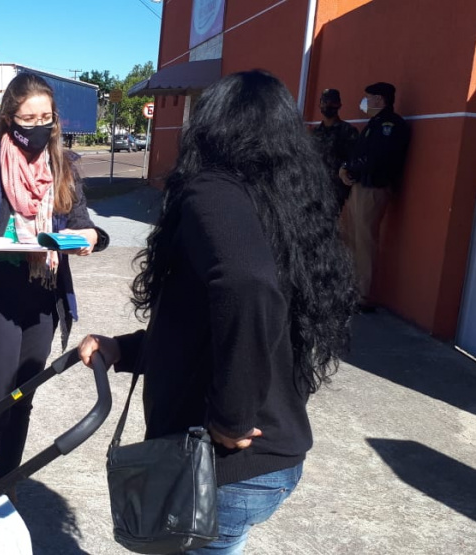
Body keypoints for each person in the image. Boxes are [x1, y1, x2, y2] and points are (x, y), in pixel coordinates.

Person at [78, 70, 356, 554]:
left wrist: (231, 415)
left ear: (210, 126)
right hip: (271, 460)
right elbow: (204, 325)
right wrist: (124, 348)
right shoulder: (278, 204)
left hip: (224, 469)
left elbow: (249, 287)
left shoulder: (214, 191)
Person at [0, 72, 109, 506]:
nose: (37, 126)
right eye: (27, 118)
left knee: (23, 397)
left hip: (43, 296)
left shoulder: (62, 166)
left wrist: (91, 238)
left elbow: (82, 223)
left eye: (45, 118)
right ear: (9, 118)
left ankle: (5, 484)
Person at [339, 82, 410, 311]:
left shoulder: (390, 125)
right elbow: (359, 154)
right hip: (360, 186)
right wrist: (345, 168)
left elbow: (378, 158)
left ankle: (362, 296)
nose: (364, 102)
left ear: (380, 99)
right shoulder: (374, 124)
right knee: (350, 238)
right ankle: (349, 288)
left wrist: (352, 168)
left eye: (368, 97)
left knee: (364, 241)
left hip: (374, 188)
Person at [312, 88, 359, 211]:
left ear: (339, 105)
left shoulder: (347, 131)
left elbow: (353, 158)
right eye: (324, 102)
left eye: (331, 102)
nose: (327, 105)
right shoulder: (315, 133)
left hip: (335, 191)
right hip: (314, 189)